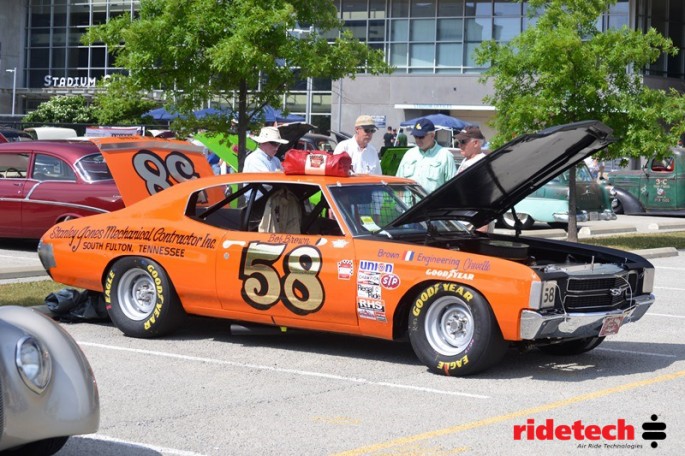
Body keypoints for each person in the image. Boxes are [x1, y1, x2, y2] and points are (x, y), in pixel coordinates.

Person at [395, 118, 456, 193]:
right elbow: (398, 184)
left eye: (421, 137)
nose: (417, 140)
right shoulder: (409, 154)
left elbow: (453, 188)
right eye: (415, 136)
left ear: (432, 135)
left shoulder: (445, 156)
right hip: (409, 204)